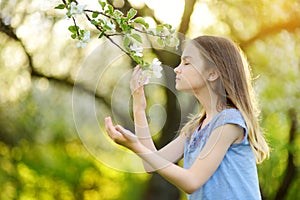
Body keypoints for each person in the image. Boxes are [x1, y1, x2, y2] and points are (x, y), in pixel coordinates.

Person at [105, 35, 270, 200]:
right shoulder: (196, 127)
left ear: (212, 74)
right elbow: (151, 163)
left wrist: (136, 146)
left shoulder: (229, 122)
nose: (177, 69)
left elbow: (191, 181)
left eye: (187, 63)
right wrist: (139, 108)